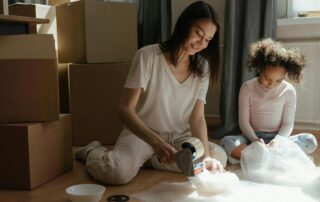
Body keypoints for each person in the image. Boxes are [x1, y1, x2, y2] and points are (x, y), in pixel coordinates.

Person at [75, 1, 227, 185]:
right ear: (184, 24)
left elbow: (197, 119)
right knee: (115, 173)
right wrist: (156, 143)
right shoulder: (147, 56)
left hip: (180, 138)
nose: (201, 43)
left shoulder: (203, 68)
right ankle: (92, 151)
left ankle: (150, 160)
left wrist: (207, 157)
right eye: (198, 34)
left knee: (218, 156)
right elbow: (124, 110)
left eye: (208, 40)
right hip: (143, 134)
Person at [220, 38, 318, 164]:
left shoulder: (289, 91)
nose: (271, 84)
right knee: (226, 142)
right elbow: (243, 121)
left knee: (310, 141)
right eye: (267, 78)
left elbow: (287, 124)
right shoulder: (247, 87)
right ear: (260, 68)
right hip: (252, 138)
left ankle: (258, 157)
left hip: (278, 139)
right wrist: (255, 140)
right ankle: (273, 158)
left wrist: (278, 141)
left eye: (278, 80)